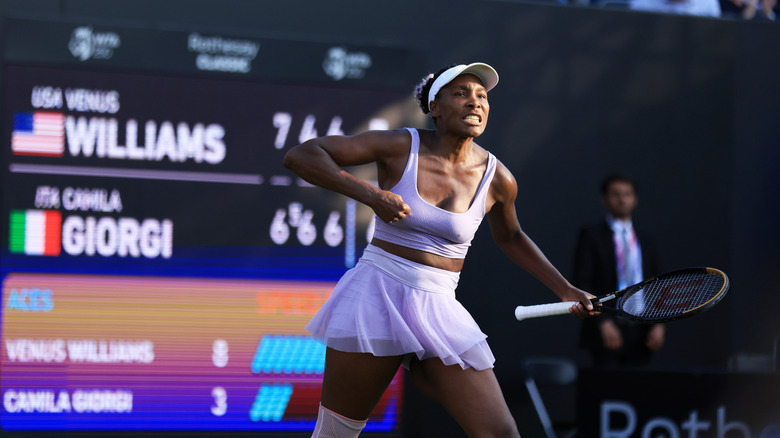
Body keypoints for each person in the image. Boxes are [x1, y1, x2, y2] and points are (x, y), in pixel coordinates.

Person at [283, 62, 596, 438]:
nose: (475, 102)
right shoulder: (400, 145)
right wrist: (372, 195)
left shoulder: (499, 178)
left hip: (439, 307)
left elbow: (511, 237)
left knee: (501, 434)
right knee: (336, 434)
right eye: (461, 93)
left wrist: (566, 289)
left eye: (482, 96)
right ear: (435, 107)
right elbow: (302, 155)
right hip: (377, 293)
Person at [573, 173, 665, 369]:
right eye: (616, 194)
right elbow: (582, 281)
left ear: (635, 199)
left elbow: (658, 284)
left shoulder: (645, 240)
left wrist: (659, 323)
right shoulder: (592, 236)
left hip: (642, 330)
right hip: (607, 327)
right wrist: (602, 321)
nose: (622, 199)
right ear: (604, 198)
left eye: (627, 194)